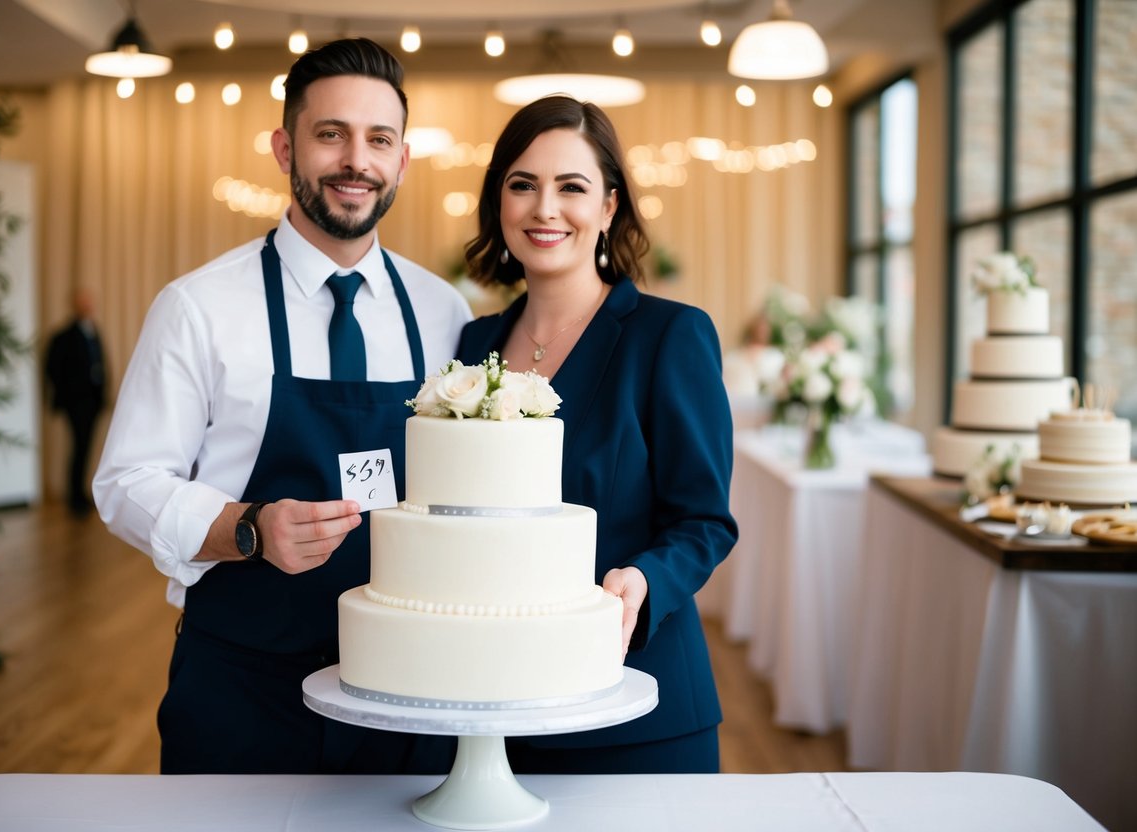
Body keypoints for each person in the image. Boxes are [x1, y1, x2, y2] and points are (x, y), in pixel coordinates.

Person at [93, 38, 470, 775]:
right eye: (330, 134)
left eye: (378, 139)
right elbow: (125, 482)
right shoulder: (198, 307)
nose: (355, 160)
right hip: (242, 686)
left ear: (401, 160)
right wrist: (248, 529)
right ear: (283, 148)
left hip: (408, 683)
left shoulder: (444, 312)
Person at [458, 95, 738, 773]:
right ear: (498, 204)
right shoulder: (471, 347)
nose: (544, 209)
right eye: (521, 185)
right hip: (488, 707)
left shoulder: (669, 336)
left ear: (609, 207)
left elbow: (703, 521)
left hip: (636, 700)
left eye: (571, 187)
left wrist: (643, 580)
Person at [44, 286, 107, 517]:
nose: (87, 306)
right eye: (83, 302)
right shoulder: (64, 335)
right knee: (78, 447)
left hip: (93, 402)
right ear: (74, 305)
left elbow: (100, 364)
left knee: (86, 448)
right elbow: (53, 368)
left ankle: (81, 493)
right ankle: (74, 497)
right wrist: (68, 393)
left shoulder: (94, 330)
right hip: (76, 404)